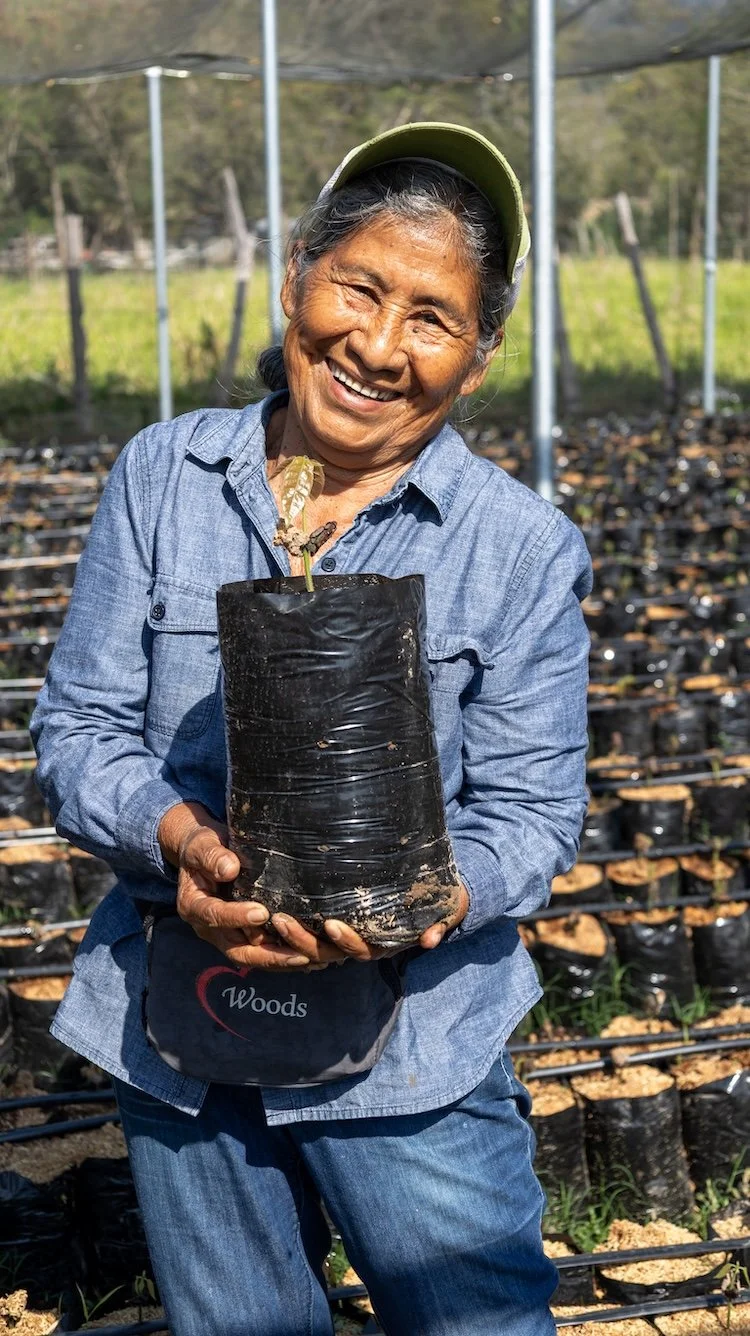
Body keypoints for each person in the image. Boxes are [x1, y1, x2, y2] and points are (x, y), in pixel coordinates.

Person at [31, 122, 592, 1336]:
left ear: (480, 358)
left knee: (476, 1323)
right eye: (360, 287)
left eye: (432, 319)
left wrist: (427, 898)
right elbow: (78, 729)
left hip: (416, 1045)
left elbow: (536, 813)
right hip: (187, 1032)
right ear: (299, 278)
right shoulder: (162, 478)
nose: (377, 346)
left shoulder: (518, 548)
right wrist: (179, 841)